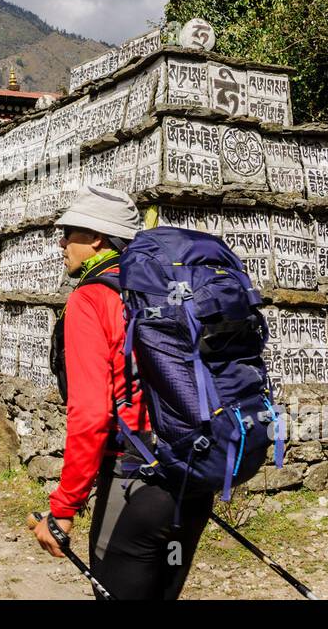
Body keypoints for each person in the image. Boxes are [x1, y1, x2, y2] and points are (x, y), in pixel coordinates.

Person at [30, 185, 215, 600]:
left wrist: (62, 509)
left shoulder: (91, 300)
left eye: (69, 232)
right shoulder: (166, 291)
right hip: (193, 475)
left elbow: (91, 415)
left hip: (137, 483)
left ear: (96, 238)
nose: (62, 243)